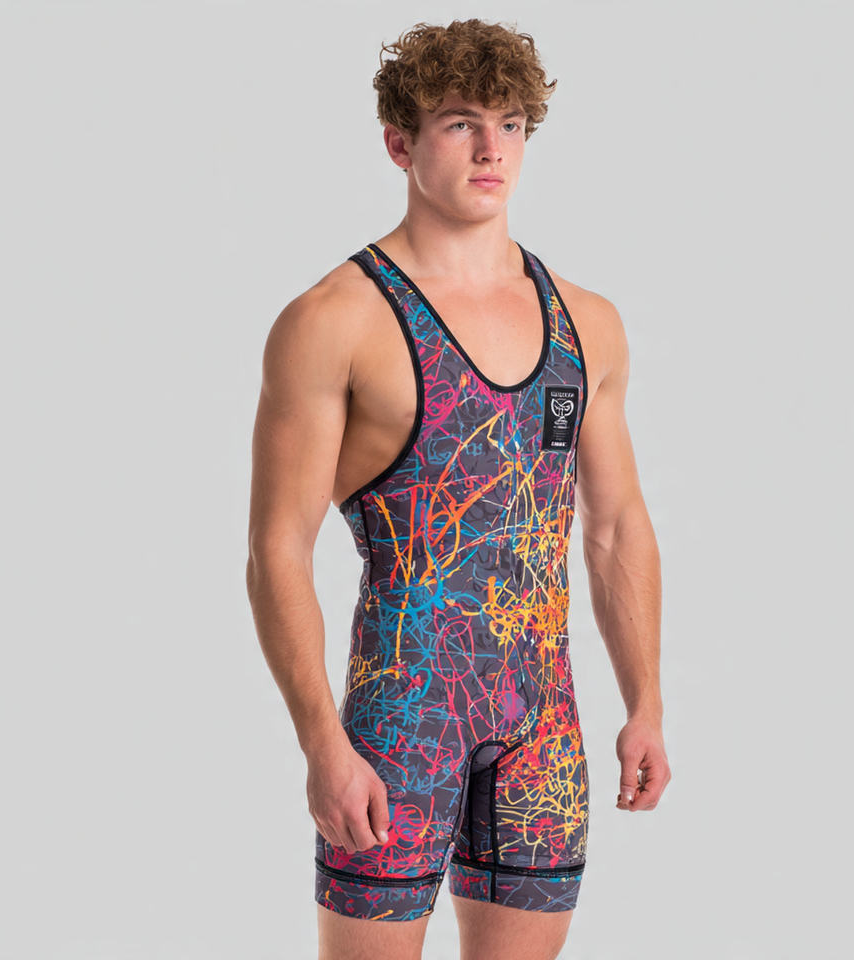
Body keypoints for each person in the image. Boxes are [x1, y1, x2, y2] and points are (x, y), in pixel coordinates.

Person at [246, 17, 670, 960]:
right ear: (399, 144)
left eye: (511, 124)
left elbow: (614, 525)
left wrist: (644, 702)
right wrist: (321, 744)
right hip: (401, 725)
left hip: (544, 731)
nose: (491, 149)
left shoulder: (586, 321)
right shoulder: (334, 321)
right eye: (460, 124)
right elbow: (277, 548)